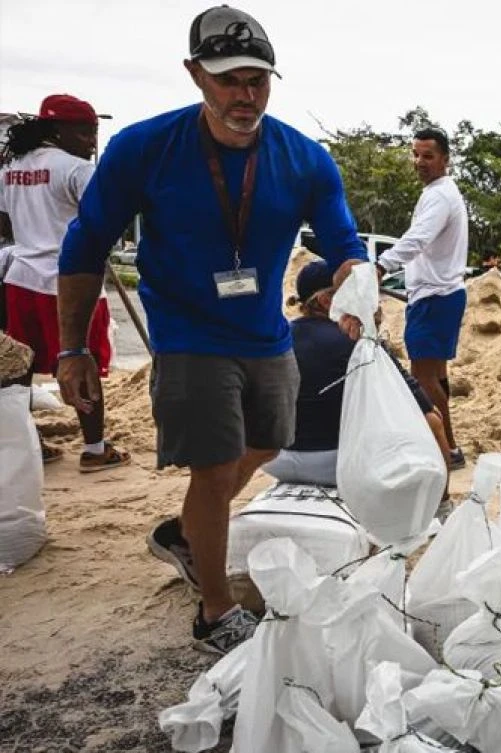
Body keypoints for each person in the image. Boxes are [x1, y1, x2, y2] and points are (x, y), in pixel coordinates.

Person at [57, 5, 371, 655]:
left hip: (266, 333)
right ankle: (214, 611)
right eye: (229, 79)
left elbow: (345, 242)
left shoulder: (304, 158)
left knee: (270, 442)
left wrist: (354, 285)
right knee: (217, 463)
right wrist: (75, 347)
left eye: (257, 79)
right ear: (195, 73)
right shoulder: (144, 148)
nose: (244, 95)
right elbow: (85, 246)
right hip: (187, 332)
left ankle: (185, 532)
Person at [0, 95, 130, 470]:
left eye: (93, 132)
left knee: (20, 366)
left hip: (22, 278)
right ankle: (94, 449)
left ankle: (31, 442)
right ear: (57, 130)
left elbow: (7, 217)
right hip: (70, 282)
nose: (91, 142)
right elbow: (104, 220)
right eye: (85, 132)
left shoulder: (11, 169)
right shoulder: (76, 170)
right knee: (80, 360)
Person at [262, 260, 449, 488]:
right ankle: (441, 511)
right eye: (356, 292)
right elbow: (430, 418)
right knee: (429, 422)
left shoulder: (274, 337)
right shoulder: (359, 341)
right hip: (334, 461)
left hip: (272, 458)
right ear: (326, 301)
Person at [374, 127, 469, 471]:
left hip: (435, 297)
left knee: (424, 377)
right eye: (415, 154)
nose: (420, 162)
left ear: (445, 159)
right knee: (436, 375)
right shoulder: (440, 192)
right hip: (441, 295)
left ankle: (447, 448)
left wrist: (381, 266)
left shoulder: (440, 196)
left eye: (428, 156)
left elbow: (418, 238)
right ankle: (449, 443)